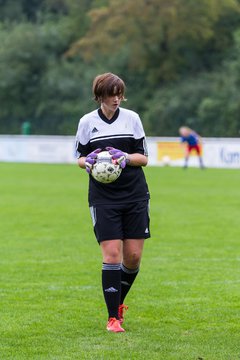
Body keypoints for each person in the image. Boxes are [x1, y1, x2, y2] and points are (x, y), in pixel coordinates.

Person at [75, 73, 150, 333]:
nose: (116, 98)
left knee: (133, 257)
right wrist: (90, 162)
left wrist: (126, 157)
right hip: (103, 198)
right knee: (112, 255)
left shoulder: (132, 119)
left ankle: (118, 304)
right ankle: (112, 319)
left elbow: (144, 158)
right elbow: (79, 158)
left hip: (135, 194)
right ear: (100, 96)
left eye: (119, 93)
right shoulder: (87, 122)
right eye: (111, 94)